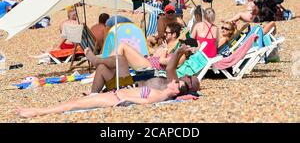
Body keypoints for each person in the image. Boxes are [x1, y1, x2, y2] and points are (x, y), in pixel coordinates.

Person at [16, 75, 192, 118]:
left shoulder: (161, 96)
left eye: (178, 83)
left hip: (114, 99)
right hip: (114, 95)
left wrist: (127, 100)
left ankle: (36, 112)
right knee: (76, 102)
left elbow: (145, 101)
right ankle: (37, 110)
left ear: (177, 91)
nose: (175, 80)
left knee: (75, 105)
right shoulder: (161, 90)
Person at [84, 44, 200, 95]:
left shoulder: (177, 86)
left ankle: (96, 60)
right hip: (127, 85)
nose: (188, 75)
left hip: (129, 89)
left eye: (190, 77)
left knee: (121, 59)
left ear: (188, 85)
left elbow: (170, 68)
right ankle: (93, 95)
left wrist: (179, 52)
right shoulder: (174, 83)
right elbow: (170, 68)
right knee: (103, 68)